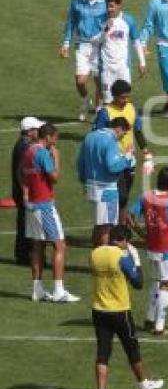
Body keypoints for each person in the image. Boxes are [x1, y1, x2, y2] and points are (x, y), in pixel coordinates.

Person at [91, 224, 164, 389]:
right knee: (132, 349)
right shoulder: (122, 257)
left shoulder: (94, 254)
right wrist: (136, 261)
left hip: (99, 310)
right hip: (120, 311)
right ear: (122, 240)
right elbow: (138, 283)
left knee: (103, 352)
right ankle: (144, 385)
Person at [22, 123, 80, 302]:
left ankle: (37, 290)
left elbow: (21, 173)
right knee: (59, 245)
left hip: (31, 204)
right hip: (44, 205)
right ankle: (58, 291)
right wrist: (56, 158)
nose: (56, 141)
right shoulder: (42, 153)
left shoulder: (28, 151)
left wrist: (26, 193)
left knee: (38, 246)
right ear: (48, 137)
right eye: (55, 138)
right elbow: (54, 178)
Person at [129, 167, 168, 336]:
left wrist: (142, 235)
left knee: (156, 282)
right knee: (166, 284)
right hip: (167, 248)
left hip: (152, 246)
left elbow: (130, 217)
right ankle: (160, 325)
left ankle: (149, 319)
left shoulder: (146, 196)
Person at [93, 80, 153, 226]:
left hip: (129, 160)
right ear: (114, 96)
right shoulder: (105, 113)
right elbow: (97, 136)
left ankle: (121, 228)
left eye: (127, 97)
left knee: (125, 197)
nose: (125, 100)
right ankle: (114, 226)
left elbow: (137, 130)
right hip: (113, 162)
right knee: (121, 195)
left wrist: (145, 150)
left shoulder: (131, 108)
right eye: (122, 97)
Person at [77, 117, 134, 247]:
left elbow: (80, 162)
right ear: (119, 128)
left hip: (91, 186)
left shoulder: (90, 136)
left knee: (99, 224)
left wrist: (84, 180)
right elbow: (113, 167)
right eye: (123, 134)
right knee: (107, 227)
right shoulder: (110, 140)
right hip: (106, 190)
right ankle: (103, 261)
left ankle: (96, 257)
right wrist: (128, 157)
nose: (122, 137)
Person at [60, 0, 107, 121]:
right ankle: (86, 99)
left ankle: (99, 111)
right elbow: (71, 23)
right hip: (82, 45)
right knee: (80, 81)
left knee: (99, 81)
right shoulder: (76, 1)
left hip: (100, 46)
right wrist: (66, 43)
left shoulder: (105, 2)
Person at [91, 0, 146, 104]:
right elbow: (94, 41)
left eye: (112, 6)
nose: (109, 9)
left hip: (123, 68)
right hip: (106, 68)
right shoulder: (100, 20)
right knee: (107, 101)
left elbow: (136, 41)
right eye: (107, 6)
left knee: (124, 98)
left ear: (119, 5)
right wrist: (105, 30)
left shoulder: (128, 21)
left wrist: (142, 62)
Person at [12, 117, 43, 265]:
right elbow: (22, 172)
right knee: (28, 224)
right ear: (30, 131)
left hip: (21, 191)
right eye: (37, 129)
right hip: (26, 193)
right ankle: (27, 256)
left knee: (24, 223)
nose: (39, 132)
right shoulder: (25, 147)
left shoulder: (22, 144)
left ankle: (22, 255)